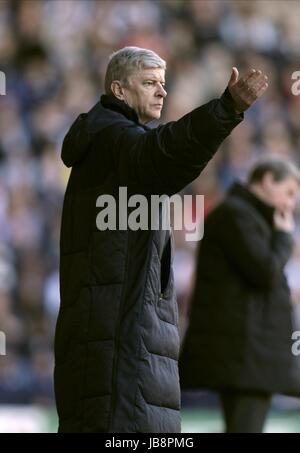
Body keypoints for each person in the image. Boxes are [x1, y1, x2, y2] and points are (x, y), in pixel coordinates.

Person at [54, 46, 268, 433]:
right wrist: (225, 109)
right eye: (150, 83)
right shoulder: (114, 140)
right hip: (121, 360)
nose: (162, 92)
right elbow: (165, 153)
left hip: (114, 353)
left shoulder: (111, 142)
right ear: (118, 90)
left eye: (163, 84)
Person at [180, 156, 300, 433]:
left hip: (248, 354)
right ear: (269, 180)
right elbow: (265, 271)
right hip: (246, 355)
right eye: (290, 193)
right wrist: (284, 238)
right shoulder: (236, 215)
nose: (291, 204)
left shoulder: (244, 215)